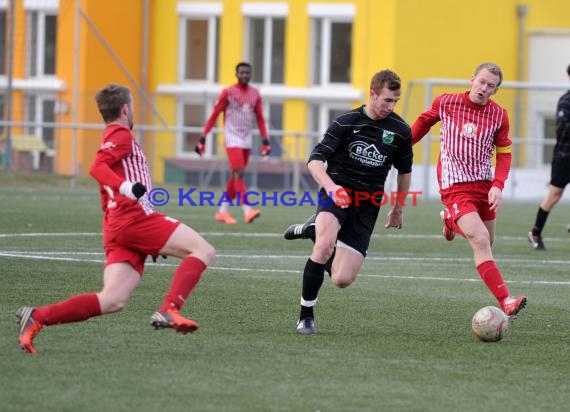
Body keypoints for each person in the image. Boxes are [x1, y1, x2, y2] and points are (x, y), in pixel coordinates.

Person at [16, 84, 216, 354]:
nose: (133, 111)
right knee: (203, 249)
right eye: (132, 106)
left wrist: (124, 226)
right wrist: (126, 191)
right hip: (133, 218)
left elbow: (103, 184)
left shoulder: (110, 135)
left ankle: (38, 316)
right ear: (125, 109)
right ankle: (170, 309)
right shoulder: (120, 134)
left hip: (118, 225)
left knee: (112, 300)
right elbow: (96, 168)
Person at [283, 70, 413, 335]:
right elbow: (315, 160)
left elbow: (404, 171)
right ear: (372, 94)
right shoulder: (345, 122)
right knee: (324, 247)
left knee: (342, 280)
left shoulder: (400, 131)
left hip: (368, 204)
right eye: (387, 100)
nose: (391, 106)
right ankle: (305, 316)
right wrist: (331, 188)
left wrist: (398, 207)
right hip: (337, 195)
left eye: (396, 101)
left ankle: (311, 230)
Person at [412, 62, 526, 318]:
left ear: (496, 90)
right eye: (482, 82)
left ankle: (451, 222)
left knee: (487, 241)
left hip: (484, 185)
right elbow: (423, 122)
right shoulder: (446, 102)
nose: (484, 88)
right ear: (472, 79)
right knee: (481, 239)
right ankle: (506, 301)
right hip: (455, 186)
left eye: (491, 86)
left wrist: (498, 186)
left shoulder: (499, 115)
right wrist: (403, 146)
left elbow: (505, 153)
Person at [196, 61, 271, 225]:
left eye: (247, 72)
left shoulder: (255, 94)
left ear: (251, 74)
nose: (244, 75)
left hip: (246, 138)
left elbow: (260, 118)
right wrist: (203, 137)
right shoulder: (228, 92)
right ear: (236, 74)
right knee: (238, 172)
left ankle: (222, 211)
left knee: (235, 176)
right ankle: (247, 209)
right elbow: (215, 114)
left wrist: (265, 140)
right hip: (232, 138)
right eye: (241, 72)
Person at [528, 64, 570, 250]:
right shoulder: (565, 101)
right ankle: (535, 232)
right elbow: (562, 129)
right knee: (554, 195)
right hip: (564, 155)